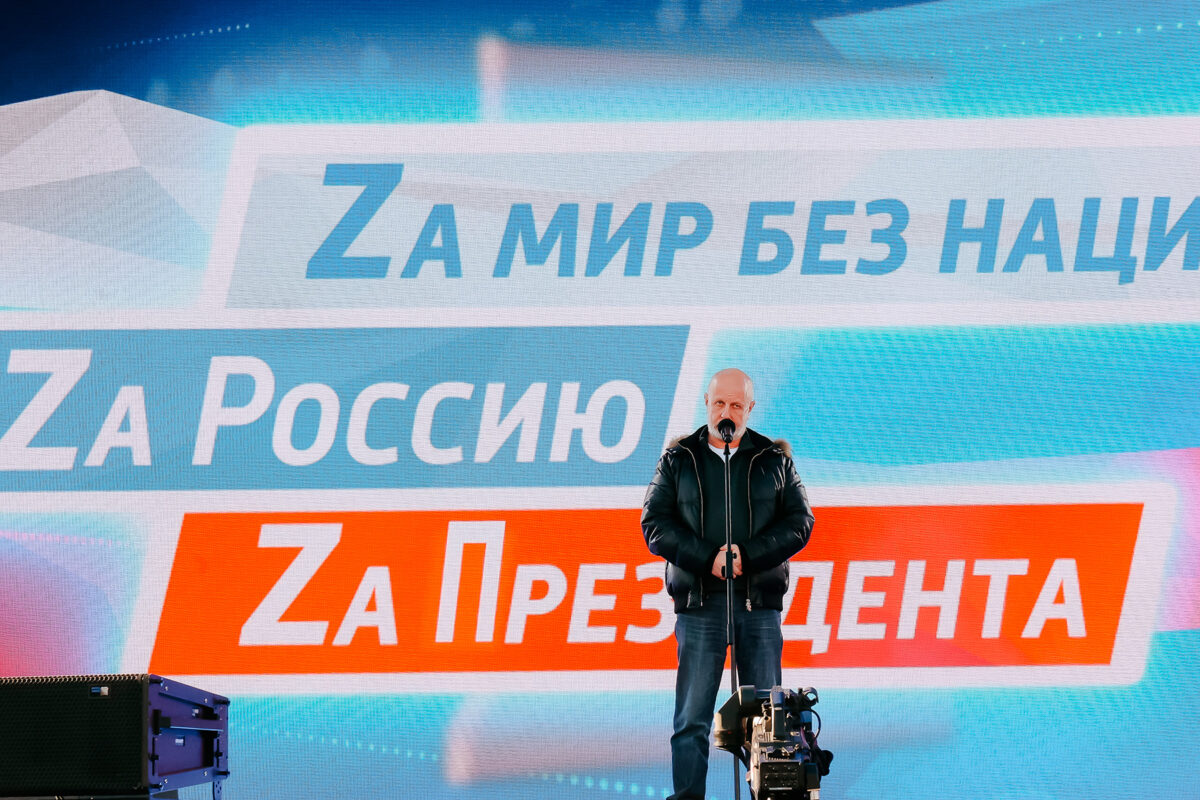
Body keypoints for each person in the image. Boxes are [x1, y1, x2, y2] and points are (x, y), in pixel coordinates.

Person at [641, 367, 814, 800]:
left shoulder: (774, 460)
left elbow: (801, 523)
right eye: (719, 403)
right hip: (701, 606)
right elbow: (654, 525)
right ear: (706, 402)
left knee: (770, 724)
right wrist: (708, 558)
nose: (727, 413)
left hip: (758, 608)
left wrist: (747, 556)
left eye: (737, 405)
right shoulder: (678, 459)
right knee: (691, 722)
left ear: (750, 408)